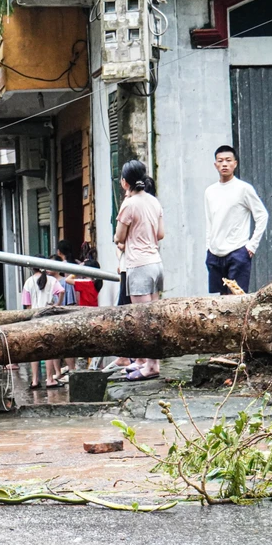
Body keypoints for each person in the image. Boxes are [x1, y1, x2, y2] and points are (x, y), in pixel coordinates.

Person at [114, 159, 165, 381]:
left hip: (138, 265)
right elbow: (161, 233)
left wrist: (126, 240)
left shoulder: (129, 204)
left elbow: (119, 237)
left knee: (143, 320)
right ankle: (146, 362)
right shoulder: (154, 201)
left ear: (125, 183)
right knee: (153, 316)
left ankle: (151, 366)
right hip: (156, 263)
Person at [205, 145, 269, 295]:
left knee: (236, 298)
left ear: (235, 163)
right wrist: (208, 246)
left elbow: (262, 215)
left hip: (237, 251)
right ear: (215, 165)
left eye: (228, 160)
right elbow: (209, 221)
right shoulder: (210, 191)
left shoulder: (243, 189)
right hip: (215, 253)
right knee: (219, 300)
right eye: (220, 161)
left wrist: (252, 246)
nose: (224, 164)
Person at [21, 264, 65, 389]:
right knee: (48, 350)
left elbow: (27, 305)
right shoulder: (52, 280)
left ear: (32, 268)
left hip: (33, 319)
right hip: (48, 318)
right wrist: (57, 304)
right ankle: (50, 379)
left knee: (34, 350)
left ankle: (35, 381)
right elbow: (61, 291)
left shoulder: (28, 282)